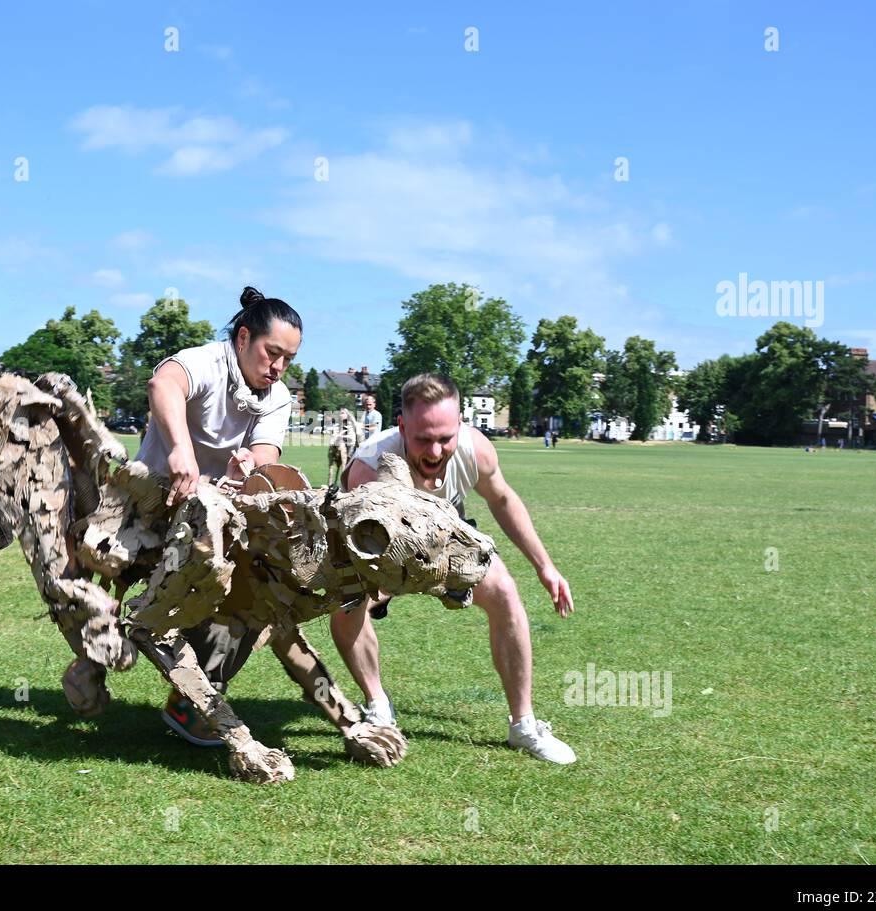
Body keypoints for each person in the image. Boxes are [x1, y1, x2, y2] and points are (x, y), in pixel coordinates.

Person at [329, 373, 578, 764]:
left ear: (460, 424)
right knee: (346, 607)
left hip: (448, 537)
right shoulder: (369, 469)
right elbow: (352, 542)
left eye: (445, 438)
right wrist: (379, 587)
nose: (434, 451)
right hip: (379, 546)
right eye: (423, 439)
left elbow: (503, 500)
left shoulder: (475, 450)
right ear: (402, 427)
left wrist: (544, 566)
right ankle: (378, 705)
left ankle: (524, 726)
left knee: (505, 593)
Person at [136, 286, 301, 745]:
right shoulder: (205, 360)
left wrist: (247, 463)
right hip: (152, 503)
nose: (278, 367)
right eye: (272, 353)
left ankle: (195, 699)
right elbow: (162, 385)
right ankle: (97, 664)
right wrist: (181, 453)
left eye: (288, 359)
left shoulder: (278, 395)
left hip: (219, 514)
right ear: (243, 337)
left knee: (265, 584)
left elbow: (266, 454)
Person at [328, 407, 359, 486]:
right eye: (340, 413)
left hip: (351, 444)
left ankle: (347, 483)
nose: (340, 415)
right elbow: (336, 433)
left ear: (347, 414)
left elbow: (354, 435)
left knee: (348, 462)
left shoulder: (351, 422)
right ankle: (334, 483)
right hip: (343, 444)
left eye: (342, 413)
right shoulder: (340, 424)